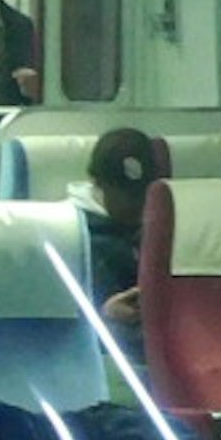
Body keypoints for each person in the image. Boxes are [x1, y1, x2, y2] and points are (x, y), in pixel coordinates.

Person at [76, 124, 158, 345]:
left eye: (142, 195)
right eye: (126, 197)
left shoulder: (163, 228)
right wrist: (106, 313)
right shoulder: (76, 237)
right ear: (98, 186)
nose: (137, 205)